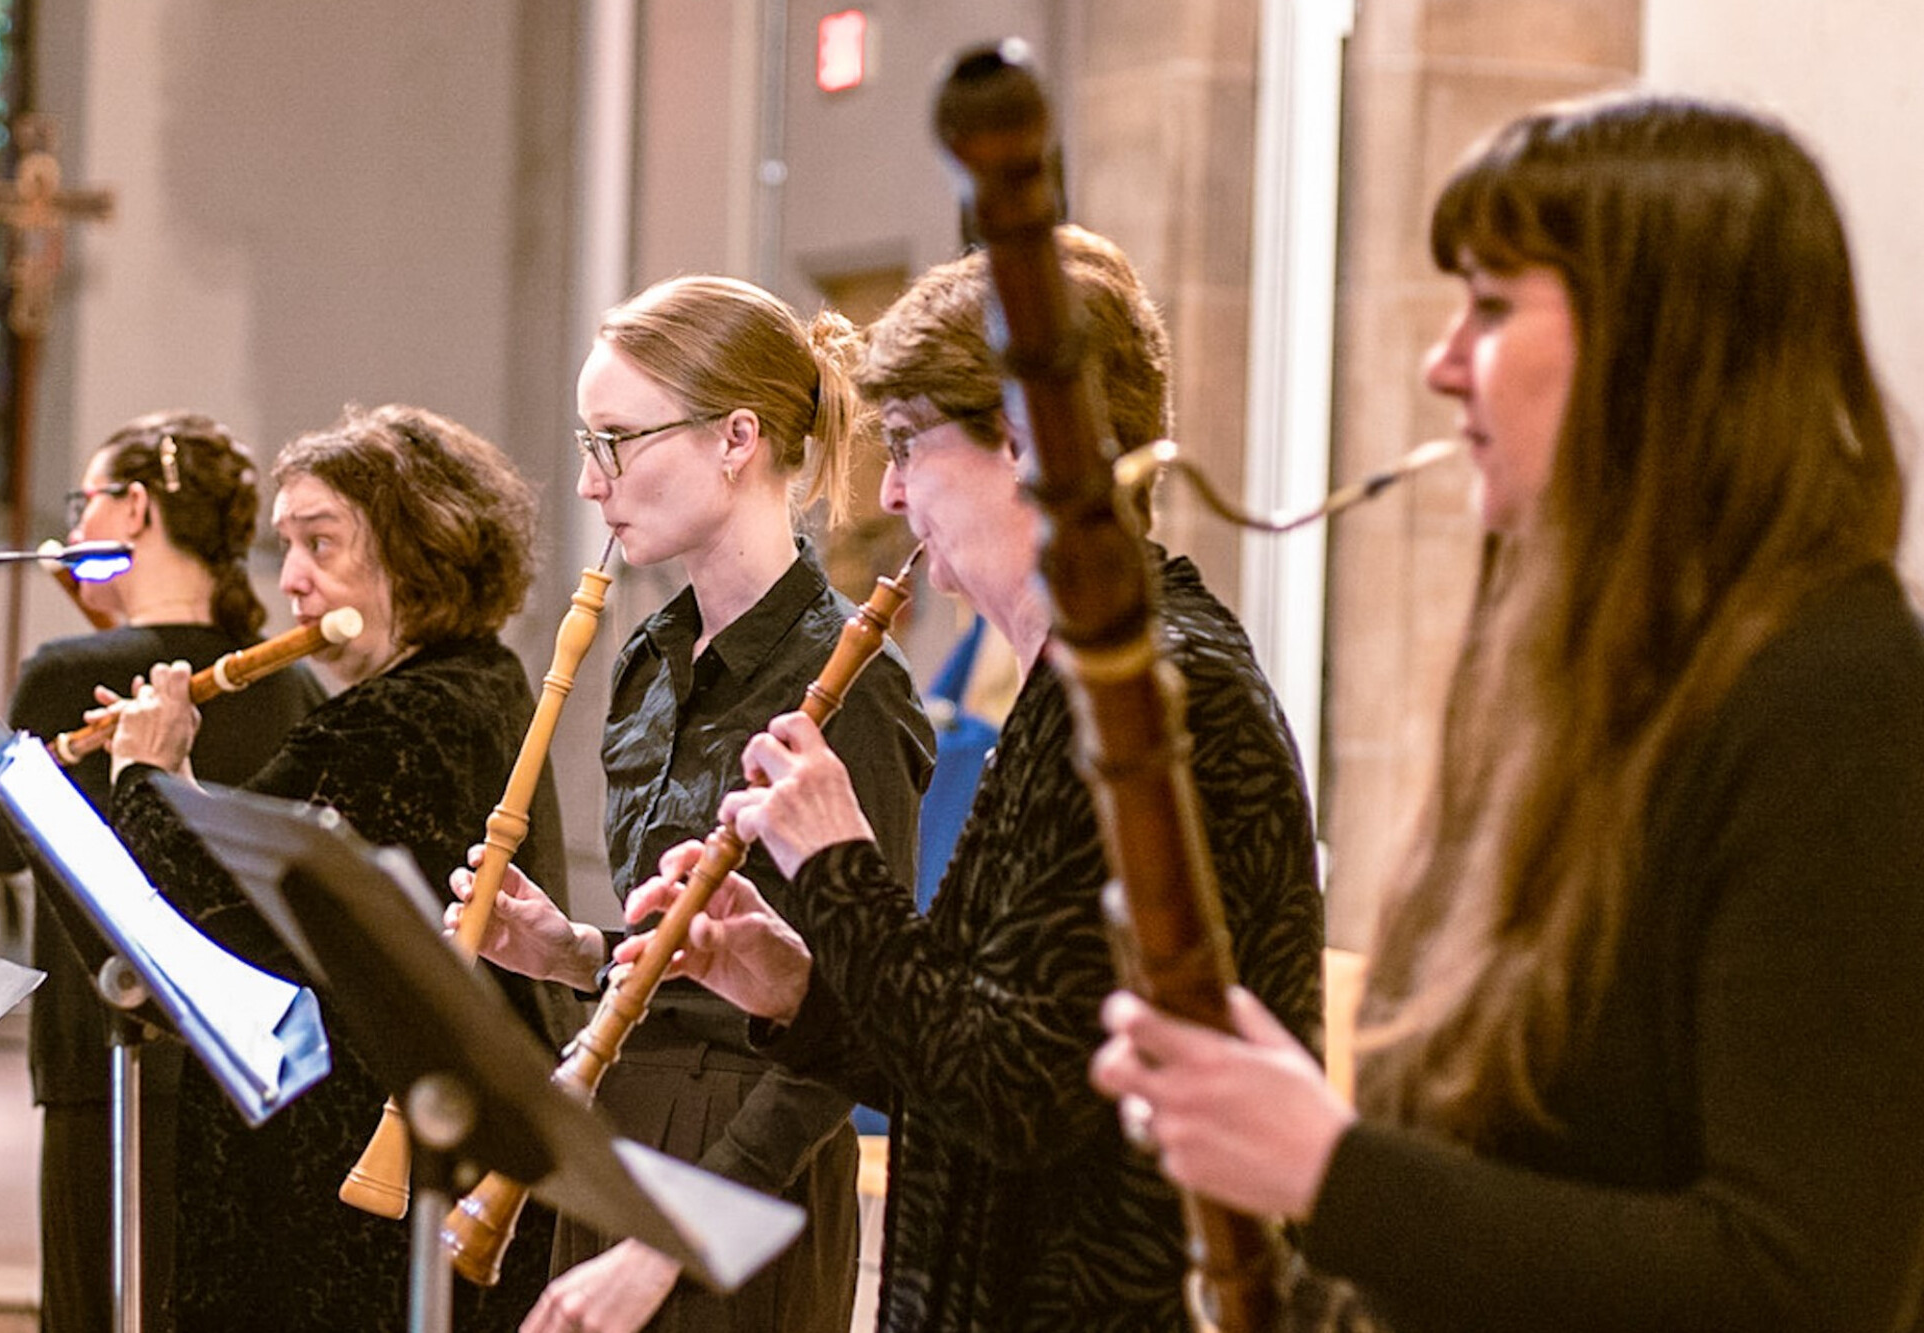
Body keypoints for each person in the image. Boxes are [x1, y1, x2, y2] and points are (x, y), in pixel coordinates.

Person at [1090, 93, 1924, 1333]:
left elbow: (1792, 1280)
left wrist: (1331, 1172)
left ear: (1657, 345)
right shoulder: (1570, 677)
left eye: (1488, 306)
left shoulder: (1832, 690)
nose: (1436, 364)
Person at [614, 225, 1326, 1331]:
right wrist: (796, 986)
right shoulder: (1067, 687)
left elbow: (1013, 1095)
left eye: (905, 446)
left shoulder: (1159, 698)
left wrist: (838, 861)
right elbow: (971, 1058)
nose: (889, 496)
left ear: (1026, 443)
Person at [448, 274, 933, 1333]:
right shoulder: (648, 658)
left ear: (736, 438)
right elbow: (688, 964)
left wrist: (673, 1242)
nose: (589, 481)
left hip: (747, 1178)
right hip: (617, 1128)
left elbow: (851, 1024)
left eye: (617, 439)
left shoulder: (853, 684)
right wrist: (571, 949)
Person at [102, 403, 581, 1332]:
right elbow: (266, 898)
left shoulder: (405, 716)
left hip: (367, 1181)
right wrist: (179, 784)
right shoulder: (466, 684)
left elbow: (212, 917)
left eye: (321, 544)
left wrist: (145, 779)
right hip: (370, 1159)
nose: (291, 581)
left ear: (419, 550)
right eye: (286, 546)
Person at [0, 411, 325, 1333]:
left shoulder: (68, 673)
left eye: (86, 500)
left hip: (104, 1043)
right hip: (259, 1056)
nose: (73, 524)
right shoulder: (293, 685)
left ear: (134, 510)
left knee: (97, 1310)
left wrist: (88, 643)